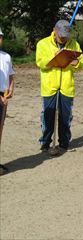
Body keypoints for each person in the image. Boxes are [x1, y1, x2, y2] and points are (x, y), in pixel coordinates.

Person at [36, 20, 83, 155]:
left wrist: (75, 63)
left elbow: (81, 64)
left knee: (65, 116)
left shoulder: (74, 44)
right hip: (49, 86)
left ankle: (64, 143)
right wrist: (54, 58)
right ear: (54, 30)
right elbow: (40, 63)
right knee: (48, 115)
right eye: (61, 35)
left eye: (66, 35)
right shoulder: (43, 44)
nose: (63, 38)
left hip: (67, 86)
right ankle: (45, 143)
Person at [0, 27, 15, 175]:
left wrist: (11, 88)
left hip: (4, 95)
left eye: (0, 37)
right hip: (0, 96)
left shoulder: (6, 56)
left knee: (0, 130)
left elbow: (10, 74)